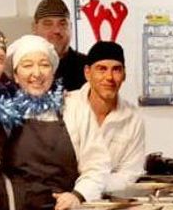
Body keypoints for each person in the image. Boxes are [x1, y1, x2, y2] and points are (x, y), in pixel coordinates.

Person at [0, 35, 109, 210]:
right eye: (27, 65)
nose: (37, 73)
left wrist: (78, 195)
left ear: (53, 71)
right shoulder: (2, 112)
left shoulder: (74, 107)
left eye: (44, 65)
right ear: (16, 75)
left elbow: (97, 164)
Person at [63, 41, 148, 193]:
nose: (109, 77)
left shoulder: (133, 118)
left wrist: (88, 189)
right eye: (101, 69)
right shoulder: (66, 106)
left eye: (116, 70)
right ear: (87, 73)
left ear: (124, 75)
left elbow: (129, 174)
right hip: (59, 197)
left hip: (106, 202)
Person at [33, 0, 87, 91]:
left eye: (62, 24)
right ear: (35, 28)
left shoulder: (88, 67)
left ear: (71, 27)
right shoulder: (24, 68)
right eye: (48, 24)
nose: (56, 30)